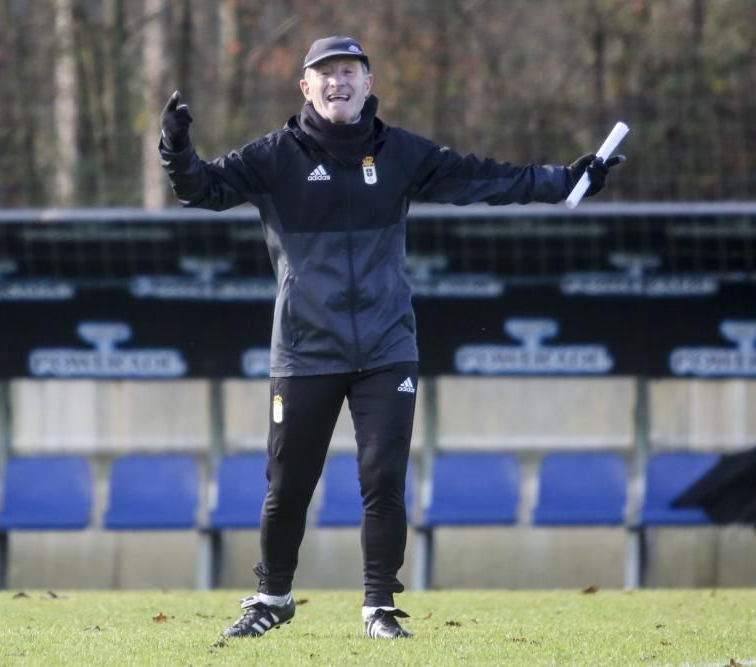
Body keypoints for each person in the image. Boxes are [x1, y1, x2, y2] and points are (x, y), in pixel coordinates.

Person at [158, 35, 624, 640]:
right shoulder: (275, 157)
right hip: (303, 351)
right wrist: (174, 144)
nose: (337, 82)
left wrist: (565, 179)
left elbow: (482, 178)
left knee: (382, 478)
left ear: (368, 83)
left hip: (386, 348)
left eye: (349, 71)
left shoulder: (399, 153)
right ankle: (272, 597)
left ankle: (378, 606)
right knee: (288, 485)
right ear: (306, 88)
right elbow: (200, 188)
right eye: (325, 74)